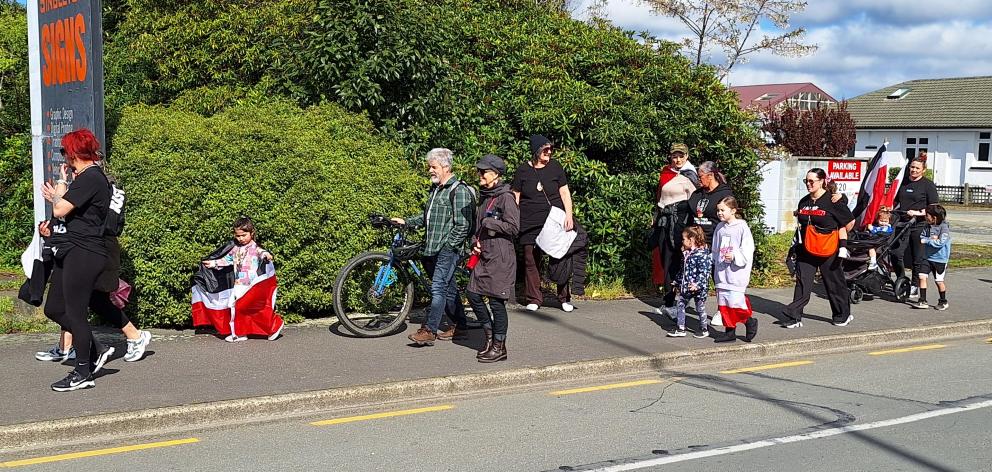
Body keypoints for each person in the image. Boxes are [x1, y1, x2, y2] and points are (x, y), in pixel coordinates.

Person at [39, 128, 113, 391]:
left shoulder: (92, 178)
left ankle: (83, 371)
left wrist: (57, 195)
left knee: (75, 313)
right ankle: (95, 348)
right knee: (55, 309)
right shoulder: (82, 178)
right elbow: (61, 210)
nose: (64, 158)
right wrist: (62, 183)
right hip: (71, 250)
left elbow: (59, 208)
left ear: (74, 153)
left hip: (85, 252)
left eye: (65, 152)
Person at [394, 148, 474, 345]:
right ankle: (460, 326)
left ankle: (429, 330)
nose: (430, 170)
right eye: (429, 166)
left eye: (433, 167)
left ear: (446, 167)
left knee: (438, 288)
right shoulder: (437, 189)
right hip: (431, 248)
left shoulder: (459, 191)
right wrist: (406, 222)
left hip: (447, 250)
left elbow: (464, 225)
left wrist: (449, 246)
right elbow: (427, 218)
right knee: (448, 290)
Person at [512, 135, 586, 312]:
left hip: (555, 220)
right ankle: (534, 298)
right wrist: (514, 218)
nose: (549, 152)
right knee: (531, 260)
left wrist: (569, 215)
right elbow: (516, 195)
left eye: (551, 149)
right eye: (545, 149)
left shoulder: (555, 167)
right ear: (536, 151)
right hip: (529, 221)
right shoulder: (523, 170)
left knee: (560, 257)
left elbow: (565, 192)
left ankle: (564, 298)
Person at [781, 168, 856, 329]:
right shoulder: (804, 201)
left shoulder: (833, 201)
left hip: (828, 248)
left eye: (811, 181)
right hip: (807, 248)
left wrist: (838, 238)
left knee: (834, 283)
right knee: (802, 282)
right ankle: (794, 317)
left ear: (822, 181)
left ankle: (842, 315)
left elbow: (849, 223)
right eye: (806, 181)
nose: (808, 184)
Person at [466, 155, 519, 362]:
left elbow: (514, 228)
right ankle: (489, 338)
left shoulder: (506, 197)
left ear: (495, 175)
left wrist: (491, 223)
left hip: (500, 258)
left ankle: (499, 347)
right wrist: (474, 241)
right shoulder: (485, 196)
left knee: (497, 303)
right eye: (479, 171)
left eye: (483, 172)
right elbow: (478, 226)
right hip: (484, 255)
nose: (479, 175)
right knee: (473, 294)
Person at [201, 217, 281, 342]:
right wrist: (213, 264)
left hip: (252, 285)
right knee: (239, 308)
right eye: (238, 236)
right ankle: (241, 333)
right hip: (238, 284)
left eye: (244, 235)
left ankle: (272, 326)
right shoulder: (235, 249)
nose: (241, 238)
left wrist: (267, 255)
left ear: (252, 233)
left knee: (249, 308)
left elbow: (262, 253)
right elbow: (227, 260)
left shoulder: (255, 248)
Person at [650, 143, 697, 318]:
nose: (677, 159)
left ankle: (677, 302)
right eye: (674, 156)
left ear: (686, 157)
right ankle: (669, 300)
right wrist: (656, 217)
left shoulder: (690, 175)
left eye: (681, 156)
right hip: (664, 222)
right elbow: (659, 198)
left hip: (681, 225)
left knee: (678, 262)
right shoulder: (666, 172)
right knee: (665, 260)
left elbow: (694, 203)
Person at [711, 197, 757, 343]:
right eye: (718, 210)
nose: (719, 213)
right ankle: (729, 331)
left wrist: (736, 256)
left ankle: (749, 321)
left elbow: (748, 248)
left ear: (733, 210)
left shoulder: (742, 227)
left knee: (735, 302)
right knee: (724, 303)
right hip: (722, 272)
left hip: (736, 273)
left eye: (722, 210)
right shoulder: (720, 227)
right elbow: (715, 248)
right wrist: (713, 260)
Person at [892, 158, 938, 299]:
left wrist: (918, 213)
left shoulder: (928, 185)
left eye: (917, 168)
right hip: (903, 223)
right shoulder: (903, 183)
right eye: (912, 167)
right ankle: (901, 279)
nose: (914, 170)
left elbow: (934, 208)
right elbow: (895, 200)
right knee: (895, 253)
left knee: (917, 257)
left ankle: (914, 285)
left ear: (923, 170)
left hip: (919, 224)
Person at [666, 226, 712, 339]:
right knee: (681, 304)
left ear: (691, 240)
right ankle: (681, 328)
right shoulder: (687, 255)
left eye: (684, 239)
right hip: (686, 286)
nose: (682, 241)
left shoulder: (702, 255)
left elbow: (704, 272)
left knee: (700, 307)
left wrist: (697, 285)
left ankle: (704, 328)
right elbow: (683, 270)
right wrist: (677, 281)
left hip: (698, 288)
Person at [686, 161, 734, 245]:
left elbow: (730, 219)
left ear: (710, 175)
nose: (698, 180)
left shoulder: (725, 194)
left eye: (700, 176)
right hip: (696, 242)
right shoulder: (696, 194)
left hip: (714, 241)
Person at [914, 204, 951, 310]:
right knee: (922, 276)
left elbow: (940, 242)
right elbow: (922, 237)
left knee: (939, 281)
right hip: (927, 257)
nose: (926, 217)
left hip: (940, 259)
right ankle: (923, 300)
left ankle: (943, 301)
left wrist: (928, 240)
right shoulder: (927, 226)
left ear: (934, 217)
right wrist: (931, 239)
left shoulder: (944, 228)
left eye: (927, 215)